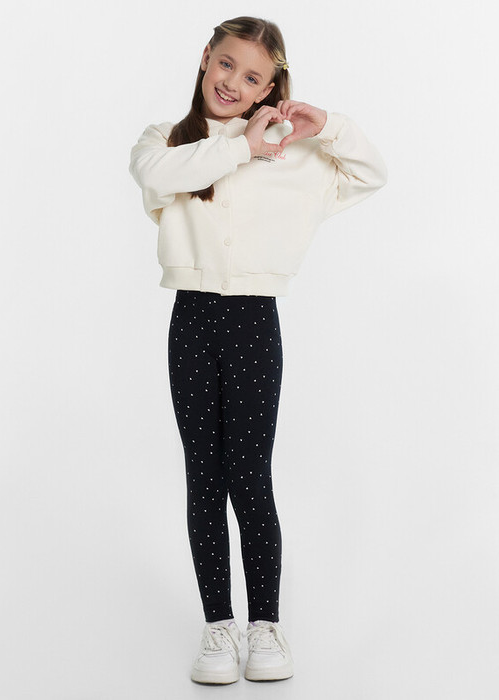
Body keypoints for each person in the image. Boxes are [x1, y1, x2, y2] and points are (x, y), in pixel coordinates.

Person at [128, 14, 387, 685]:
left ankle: (265, 625)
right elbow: (154, 175)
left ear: (271, 87)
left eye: (252, 77)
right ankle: (218, 627)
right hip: (191, 320)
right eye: (226, 64)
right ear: (205, 58)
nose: (233, 83)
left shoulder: (293, 155)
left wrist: (325, 127)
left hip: (252, 323)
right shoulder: (168, 142)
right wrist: (240, 147)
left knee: (249, 474)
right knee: (203, 476)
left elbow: (370, 172)